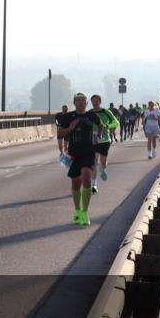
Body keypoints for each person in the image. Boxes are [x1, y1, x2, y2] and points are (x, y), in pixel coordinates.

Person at [57, 93, 103, 226]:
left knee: (87, 178)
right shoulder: (68, 116)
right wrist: (71, 128)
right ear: (74, 102)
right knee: (76, 183)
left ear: (87, 103)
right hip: (74, 153)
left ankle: (85, 212)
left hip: (88, 151)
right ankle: (77, 210)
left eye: (83, 100)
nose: (81, 102)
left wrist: (98, 137)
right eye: (78, 100)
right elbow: (59, 133)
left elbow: (101, 125)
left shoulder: (90, 115)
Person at [89, 95, 119, 193]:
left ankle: (103, 169)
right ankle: (93, 185)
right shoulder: (89, 113)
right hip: (93, 141)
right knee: (93, 163)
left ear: (100, 101)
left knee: (103, 162)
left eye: (96, 101)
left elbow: (116, 123)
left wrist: (107, 125)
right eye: (93, 101)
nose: (95, 103)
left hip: (105, 140)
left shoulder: (106, 112)